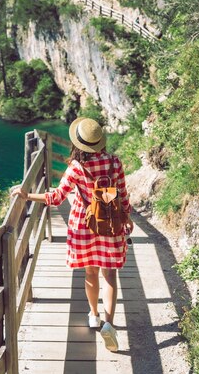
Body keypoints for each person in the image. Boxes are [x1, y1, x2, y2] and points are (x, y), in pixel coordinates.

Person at [11, 117, 134, 352]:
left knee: (91, 273)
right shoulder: (114, 163)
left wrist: (28, 196)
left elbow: (56, 197)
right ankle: (108, 323)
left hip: (84, 225)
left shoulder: (77, 168)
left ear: (79, 143)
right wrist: (126, 217)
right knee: (109, 275)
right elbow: (123, 195)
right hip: (110, 224)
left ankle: (94, 314)